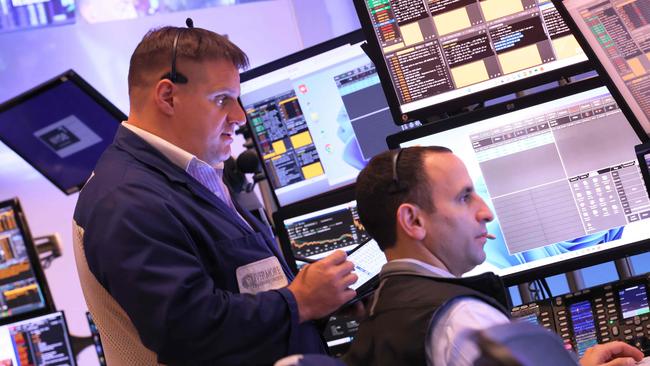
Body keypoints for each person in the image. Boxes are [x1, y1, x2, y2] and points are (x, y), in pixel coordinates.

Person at [73, 23, 357, 365]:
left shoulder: (196, 173)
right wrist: (299, 301)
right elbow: (187, 329)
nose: (239, 117)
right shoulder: (125, 200)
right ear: (167, 96)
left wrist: (323, 300)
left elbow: (247, 283)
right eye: (222, 99)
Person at [342, 146, 644, 366]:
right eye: (464, 197)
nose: (485, 212)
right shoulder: (461, 321)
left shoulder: (381, 314)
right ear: (413, 221)